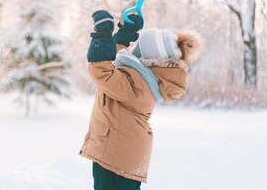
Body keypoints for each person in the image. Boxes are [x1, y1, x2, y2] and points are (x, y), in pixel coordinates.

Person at [79, 10, 204, 190]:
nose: (132, 48)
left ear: (148, 59)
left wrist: (102, 36)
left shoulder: (137, 85)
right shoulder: (144, 77)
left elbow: (103, 71)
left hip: (117, 155)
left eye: (137, 48)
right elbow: (118, 61)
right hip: (121, 151)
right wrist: (122, 36)